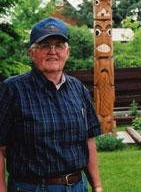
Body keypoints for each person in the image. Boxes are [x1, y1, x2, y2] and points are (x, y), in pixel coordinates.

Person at [0, 17, 103, 192]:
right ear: (32, 53)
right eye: (45, 45)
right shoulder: (13, 90)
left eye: (59, 45)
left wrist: (98, 186)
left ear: (67, 52)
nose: (52, 51)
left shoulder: (79, 89)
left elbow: (88, 140)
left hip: (77, 186)